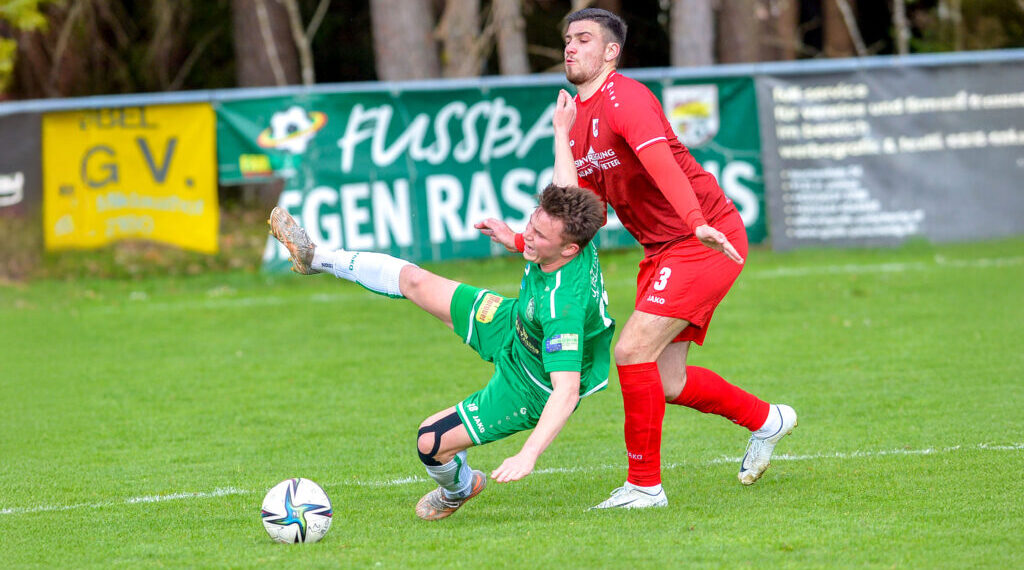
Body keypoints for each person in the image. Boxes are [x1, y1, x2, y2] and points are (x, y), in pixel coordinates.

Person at [480, 8, 797, 510]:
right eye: (567, 39)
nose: (570, 47)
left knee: (631, 352)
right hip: (664, 248)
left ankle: (645, 486)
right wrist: (524, 239)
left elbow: (662, 162)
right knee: (667, 381)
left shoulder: (626, 97)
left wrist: (695, 221)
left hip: (704, 238)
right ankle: (767, 420)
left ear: (611, 52)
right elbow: (581, 214)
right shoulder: (578, 119)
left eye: (583, 39)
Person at [268, 183, 615, 520]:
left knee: (430, 441)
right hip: (513, 321)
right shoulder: (570, 226)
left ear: (569, 250)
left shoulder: (563, 309)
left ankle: (459, 488)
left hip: (529, 384)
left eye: (538, 236)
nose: (528, 235)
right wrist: (560, 126)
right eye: (531, 223)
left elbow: (567, 389)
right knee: (415, 281)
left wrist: (529, 453)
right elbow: (567, 183)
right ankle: (315, 257)